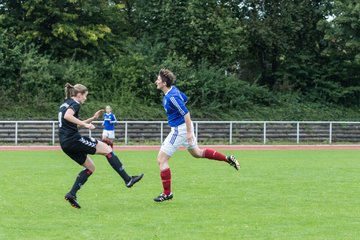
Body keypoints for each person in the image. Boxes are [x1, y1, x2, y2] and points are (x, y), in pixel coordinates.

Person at [153, 69, 240, 202]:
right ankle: (228, 158)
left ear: (164, 83)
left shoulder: (172, 97)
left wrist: (188, 133)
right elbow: (185, 100)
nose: (156, 81)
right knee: (197, 153)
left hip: (180, 130)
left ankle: (167, 193)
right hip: (183, 128)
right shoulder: (173, 91)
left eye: (158, 79)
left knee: (161, 159)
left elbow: (186, 113)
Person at [58, 83, 143, 209]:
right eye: (85, 96)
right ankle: (127, 179)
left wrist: (91, 119)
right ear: (79, 95)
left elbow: (72, 124)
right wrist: (86, 125)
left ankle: (71, 194)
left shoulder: (65, 103)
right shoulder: (75, 103)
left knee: (90, 167)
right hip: (73, 140)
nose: (85, 99)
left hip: (65, 143)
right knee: (107, 149)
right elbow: (68, 116)